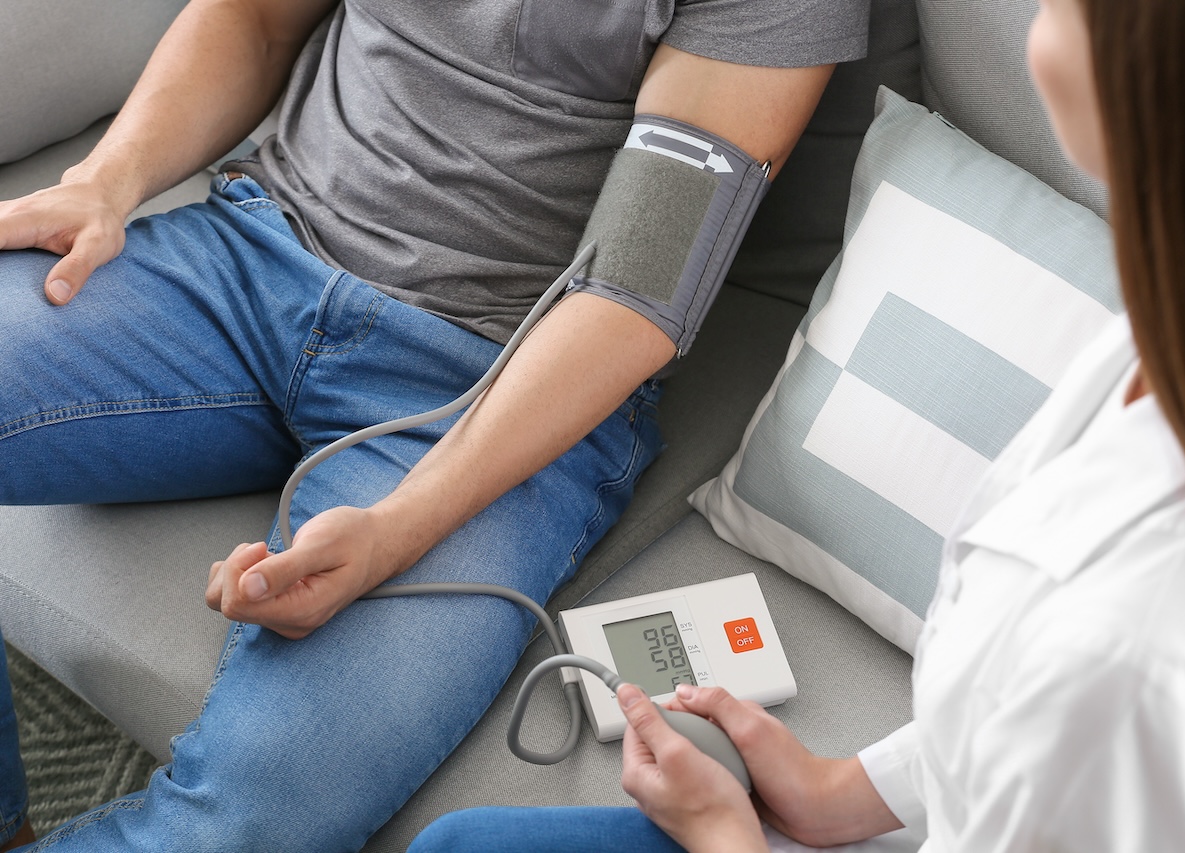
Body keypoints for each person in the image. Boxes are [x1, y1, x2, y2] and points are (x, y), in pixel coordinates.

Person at [408, 0, 1185, 850]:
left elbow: (1070, 714)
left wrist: (723, 835)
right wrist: (841, 794)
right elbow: (1018, 716)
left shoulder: (1131, 659)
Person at [0, 0, 872, 849]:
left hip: (496, 384)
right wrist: (103, 184)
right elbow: (255, 20)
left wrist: (395, 530)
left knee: (262, 817)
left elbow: (635, 291)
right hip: (245, 257)